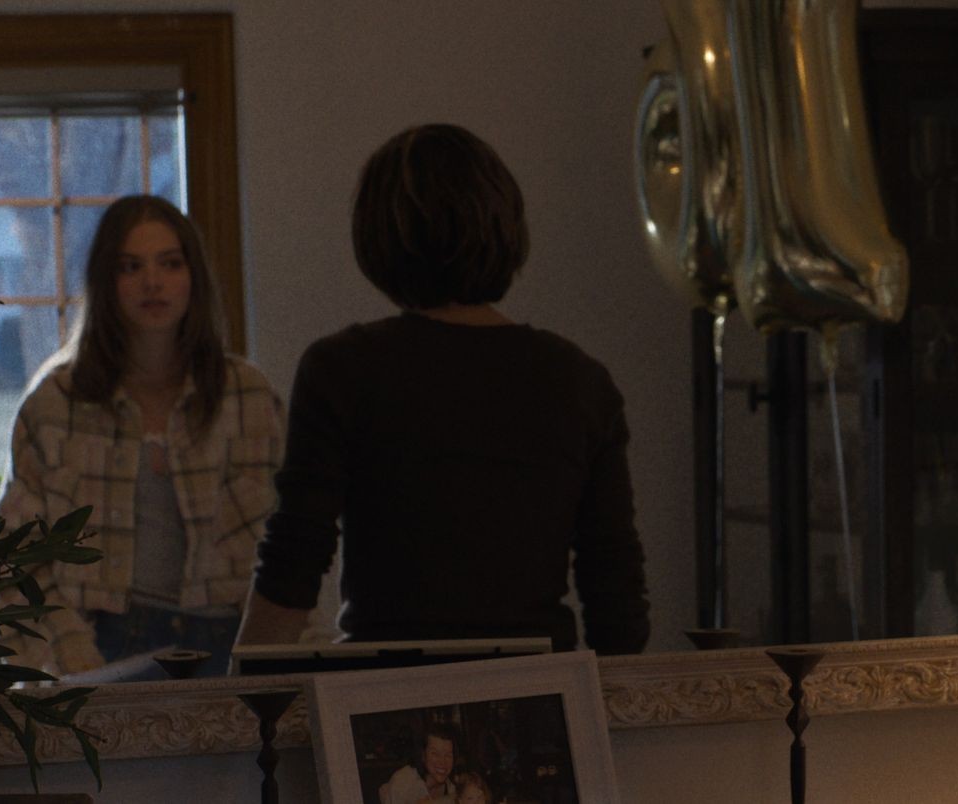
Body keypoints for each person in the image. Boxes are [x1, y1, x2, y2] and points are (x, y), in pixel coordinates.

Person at [236, 123, 650, 653]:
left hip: (388, 689)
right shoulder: (580, 381)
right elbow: (615, 591)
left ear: (378, 237)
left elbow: (294, 559)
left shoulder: (343, 369)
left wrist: (240, 693)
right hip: (541, 687)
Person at [0, 195, 285, 678]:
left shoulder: (247, 395)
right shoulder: (56, 403)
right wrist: (71, 657)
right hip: (100, 642)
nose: (153, 282)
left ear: (193, 276)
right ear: (106, 282)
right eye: (131, 267)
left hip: (228, 642)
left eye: (169, 263)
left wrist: (289, 658)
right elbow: (16, 556)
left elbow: (286, 545)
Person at [381, 724, 458, 804]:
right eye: (435, 754)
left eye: (448, 755)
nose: (442, 761)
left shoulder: (453, 789)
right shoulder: (403, 783)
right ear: (423, 755)